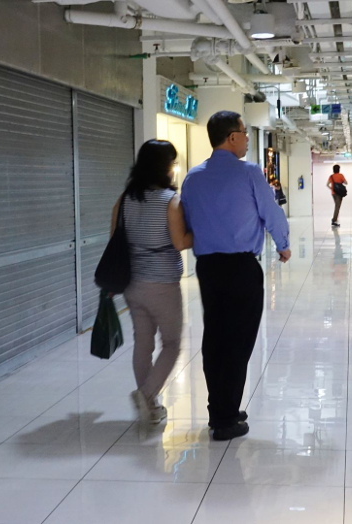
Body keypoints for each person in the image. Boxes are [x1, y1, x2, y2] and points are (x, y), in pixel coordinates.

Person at [181, 111, 291, 441]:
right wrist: (283, 244)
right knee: (238, 340)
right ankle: (226, 418)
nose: (246, 139)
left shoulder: (193, 177)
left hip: (208, 269)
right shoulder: (250, 172)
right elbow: (270, 211)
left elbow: (189, 223)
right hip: (241, 268)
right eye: (244, 133)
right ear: (231, 137)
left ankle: (221, 408)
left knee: (215, 337)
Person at [110, 140, 193, 424]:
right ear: (164, 167)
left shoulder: (123, 201)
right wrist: (202, 232)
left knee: (142, 343)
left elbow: (114, 242)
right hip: (163, 285)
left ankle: (151, 405)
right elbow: (180, 242)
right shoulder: (171, 201)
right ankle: (146, 394)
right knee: (171, 344)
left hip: (133, 284)